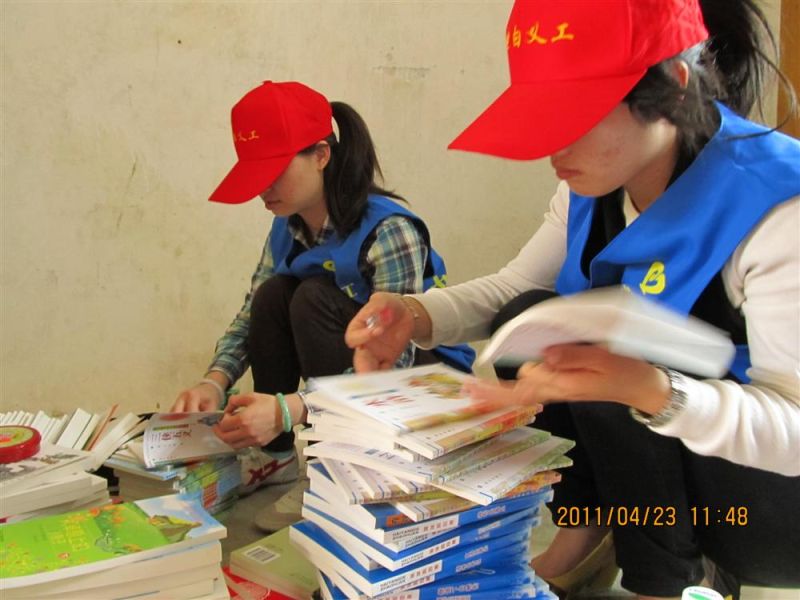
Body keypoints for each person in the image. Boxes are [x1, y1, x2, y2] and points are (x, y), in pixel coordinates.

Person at [345, 1, 799, 598]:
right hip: (685, 463)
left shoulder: (776, 206)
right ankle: (589, 525)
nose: (551, 147)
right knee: (531, 318)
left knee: (620, 355)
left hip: (767, 507)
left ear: (671, 88)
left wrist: (652, 390)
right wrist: (414, 313)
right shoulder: (595, 180)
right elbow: (513, 288)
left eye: (573, 115)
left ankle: (665, 580)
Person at [172, 80, 474, 531]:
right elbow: (252, 314)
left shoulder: (389, 230)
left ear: (320, 155)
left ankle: (332, 468)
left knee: (311, 298)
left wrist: (292, 409)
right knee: (275, 295)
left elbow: (394, 361)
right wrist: (214, 381)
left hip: (422, 379)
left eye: (275, 170)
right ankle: (276, 458)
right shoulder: (287, 225)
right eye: (255, 173)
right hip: (359, 377)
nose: (263, 188)